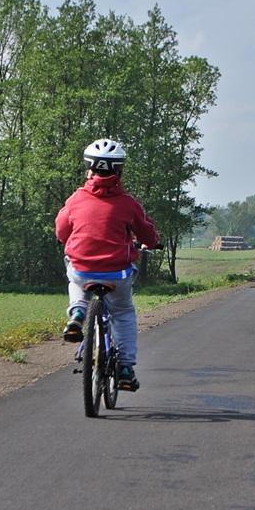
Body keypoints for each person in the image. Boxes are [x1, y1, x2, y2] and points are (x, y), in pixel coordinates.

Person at [55, 139, 160, 391]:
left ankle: (78, 313)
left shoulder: (76, 200)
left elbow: (61, 230)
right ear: (119, 171)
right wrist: (152, 243)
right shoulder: (128, 204)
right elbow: (147, 235)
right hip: (117, 273)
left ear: (89, 170)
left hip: (82, 269)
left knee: (75, 277)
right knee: (122, 312)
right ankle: (125, 368)